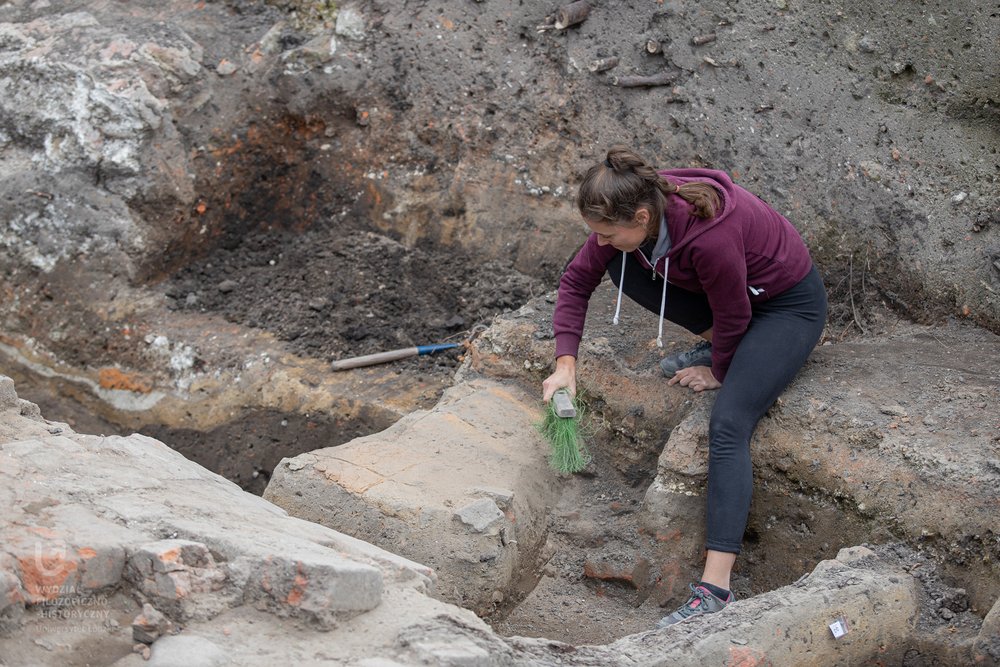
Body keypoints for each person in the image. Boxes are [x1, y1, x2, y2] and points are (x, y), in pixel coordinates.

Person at [541, 147, 828, 628]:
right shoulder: (638, 211)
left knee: (729, 423)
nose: (601, 240)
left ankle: (716, 590)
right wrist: (565, 365)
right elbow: (575, 282)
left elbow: (735, 312)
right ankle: (728, 349)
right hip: (732, 297)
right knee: (618, 264)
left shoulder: (709, 237)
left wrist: (721, 370)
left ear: (641, 215)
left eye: (608, 232)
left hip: (784, 307)